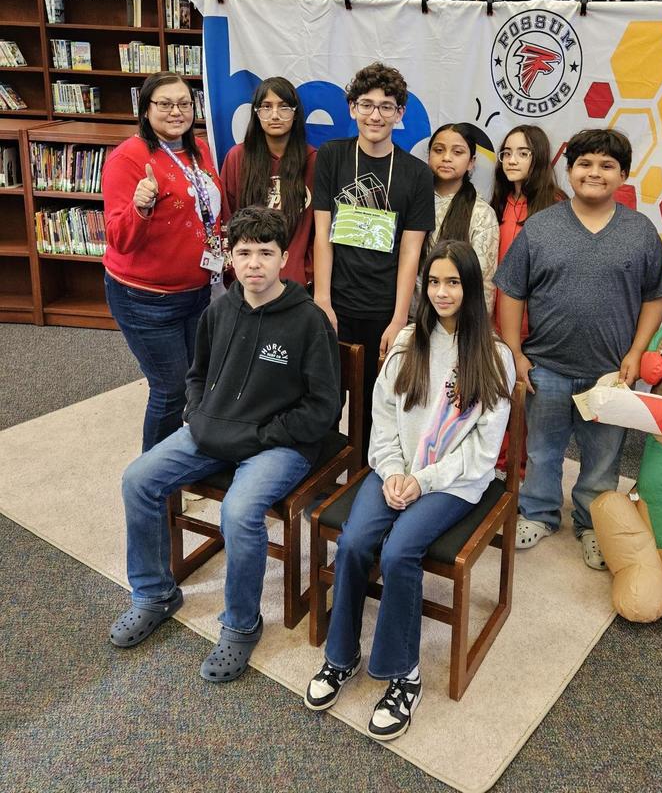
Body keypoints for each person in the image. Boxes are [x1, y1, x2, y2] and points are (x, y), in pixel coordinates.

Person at [108, 208, 340, 682]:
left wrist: (262, 435)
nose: (254, 263)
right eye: (244, 253)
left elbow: (323, 408)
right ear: (230, 258)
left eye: (265, 253)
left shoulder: (309, 322)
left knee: (238, 511)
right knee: (138, 479)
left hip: (281, 444)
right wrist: (196, 411)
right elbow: (197, 375)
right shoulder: (219, 309)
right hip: (211, 430)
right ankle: (154, 594)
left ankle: (240, 625)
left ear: (284, 257)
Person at [305, 240, 514, 740]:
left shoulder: (494, 357)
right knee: (354, 542)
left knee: (400, 552)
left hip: (454, 482)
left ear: (471, 288)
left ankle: (405, 675)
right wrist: (395, 470)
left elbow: (482, 456)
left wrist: (421, 481)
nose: (442, 292)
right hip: (397, 469)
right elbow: (383, 421)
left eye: (453, 282)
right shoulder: (405, 344)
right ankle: (341, 655)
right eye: (434, 282)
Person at [494, 128, 662, 570]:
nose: (595, 173)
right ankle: (538, 512)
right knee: (543, 450)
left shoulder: (640, 231)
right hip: (546, 365)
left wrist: (636, 351)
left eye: (607, 165)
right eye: (585, 164)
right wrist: (515, 352)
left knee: (604, 456)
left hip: (611, 373)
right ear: (569, 171)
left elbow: (655, 296)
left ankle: (594, 523)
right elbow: (511, 293)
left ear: (624, 175)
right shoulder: (541, 226)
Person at [313, 62, 435, 449]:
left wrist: (399, 318)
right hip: (335, 303)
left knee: (374, 405)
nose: (375, 115)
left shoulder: (416, 173)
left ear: (400, 114)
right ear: (351, 108)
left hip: (383, 307)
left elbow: (411, 251)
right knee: (325, 399)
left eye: (386, 106)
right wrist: (322, 301)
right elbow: (322, 236)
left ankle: (361, 483)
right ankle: (319, 481)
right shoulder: (332, 157)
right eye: (366, 104)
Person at [103, 71, 224, 453]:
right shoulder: (128, 158)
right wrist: (140, 206)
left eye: (185, 103)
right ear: (146, 109)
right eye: (166, 104)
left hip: (197, 291)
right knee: (170, 389)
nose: (177, 112)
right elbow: (119, 238)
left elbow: (212, 212)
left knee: (194, 382)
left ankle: (181, 462)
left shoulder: (199, 150)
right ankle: (153, 482)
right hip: (147, 300)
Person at [491, 124, 564, 473]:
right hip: (495, 320)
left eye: (522, 153)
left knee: (525, 406)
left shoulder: (556, 207)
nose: (511, 160)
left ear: (539, 158)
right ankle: (498, 468)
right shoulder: (497, 203)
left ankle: (519, 480)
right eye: (506, 153)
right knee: (495, 399)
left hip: (534, 328)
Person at [219, 77, 316, 286]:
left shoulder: (314, 160)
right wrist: (235, 270)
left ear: (295, 113)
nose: (275, 115)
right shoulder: (237, 157)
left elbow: (320, 229)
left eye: (284, 107)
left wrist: (307, 271)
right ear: (256, 113)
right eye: (266, 107)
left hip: (297, 285)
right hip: (248, 280)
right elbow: (227, 219)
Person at [414, 123, 498, 314]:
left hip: (457, 323)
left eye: (457, 152)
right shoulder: (412, 200)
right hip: (409, 318)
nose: (446, 158)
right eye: (438, 150)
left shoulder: (481, 214)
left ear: (471, 162)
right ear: (428, 156)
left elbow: (483, 283)